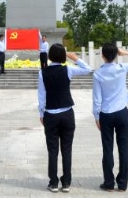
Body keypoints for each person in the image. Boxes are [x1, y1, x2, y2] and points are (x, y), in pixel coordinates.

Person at [38, 44, 92, 193]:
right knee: (67, 150)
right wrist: (74, 58)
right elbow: (88, 69)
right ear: (63, 56)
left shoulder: (43, 72)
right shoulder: (68, 69)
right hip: (67, 113)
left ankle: (53, 182)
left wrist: (41, 114)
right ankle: (66, 182)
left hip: (51, 114)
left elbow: (41, 96)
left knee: (52, 150)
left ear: (49, 56)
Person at [92, 44, 128, 192]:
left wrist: (97, 116)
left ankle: (108, 183)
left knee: (107, 149)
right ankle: (122, 183)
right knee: (124, 148)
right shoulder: (122, 68)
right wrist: (126, 53)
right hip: (122, 112)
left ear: (102, 55)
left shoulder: (98, 74)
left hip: (106, 114)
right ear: (116, 55)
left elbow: (97, 98)